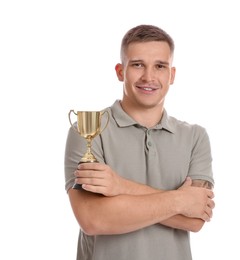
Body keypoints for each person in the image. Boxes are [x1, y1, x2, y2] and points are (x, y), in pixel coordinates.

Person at [64, 24, 215, 260]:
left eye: (160, 66)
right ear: (120, 71)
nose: (149, 77)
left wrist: (120, 187)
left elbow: (195, 220)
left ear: (171, 75)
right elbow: (93, 219)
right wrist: (179, 200)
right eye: (137, 65)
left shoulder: (195, 137)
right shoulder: (86, 131)